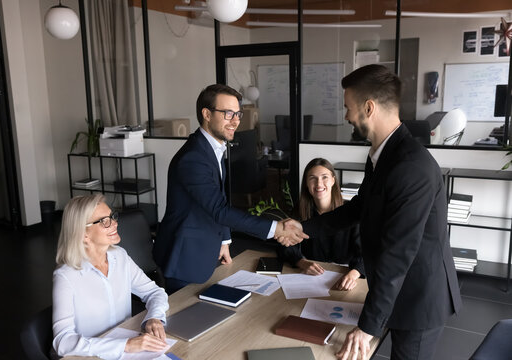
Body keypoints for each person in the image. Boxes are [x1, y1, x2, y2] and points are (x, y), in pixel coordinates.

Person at [300, 65, 462, 360]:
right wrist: (304, 229)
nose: (346, 116)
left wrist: (367, 327)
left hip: (419, 297)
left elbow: (398, 253)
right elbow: (360, 207)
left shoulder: (411, 167)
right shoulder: (382, 154)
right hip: (396, 287)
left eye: (348, 108)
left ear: (368, 107)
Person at [154, 84, 307, 294]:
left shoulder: (212, 148)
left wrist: (224, 240)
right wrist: (277, 229)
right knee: (187, 321)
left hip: (205, 249)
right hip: (183, 257)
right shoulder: (193, 158)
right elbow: (219, 210)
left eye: (237, 113)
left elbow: (220, 199)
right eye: (228, 113)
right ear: (207, 114)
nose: (236, 121)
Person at [52, 195, 169, 359]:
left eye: (112, 217)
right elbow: (63, 342)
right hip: (92, 355)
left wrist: (154, 317)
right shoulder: (66, 276)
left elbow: (155, 292)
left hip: (131, 348)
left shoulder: (119, 256)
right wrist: (126, 345)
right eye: (104, 221)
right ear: (83, 234)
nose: (114, 223)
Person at [278, 158, 364, 291]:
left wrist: (354, 274)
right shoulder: (299, 211)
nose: (319, 183)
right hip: (312, 277)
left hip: (346, 276)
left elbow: (366, 251)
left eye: (325, 177)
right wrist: (301, 262)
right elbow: (285, 245)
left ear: (333, 181)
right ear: (306, 183)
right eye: (312, 178)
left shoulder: (350, 212)